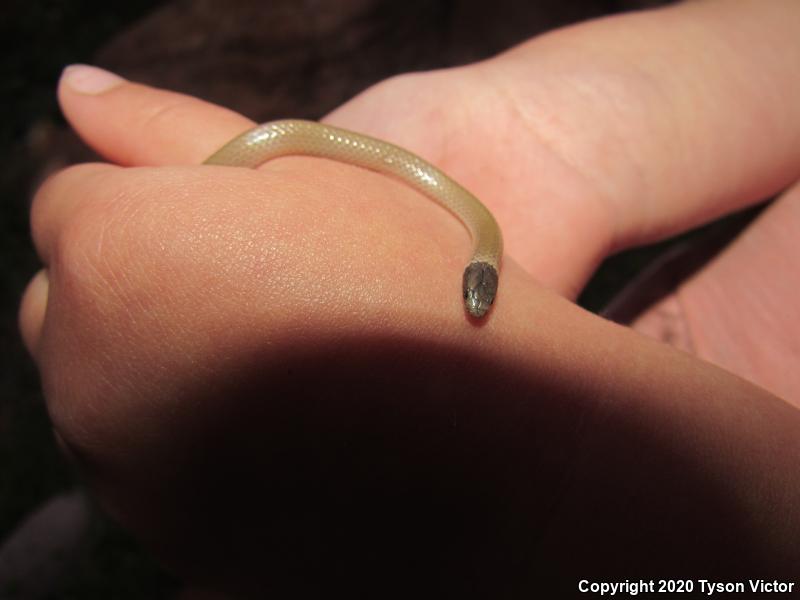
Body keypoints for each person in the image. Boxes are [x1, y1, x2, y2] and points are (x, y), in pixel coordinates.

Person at [19, 0, 800, 596]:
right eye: (474, 288)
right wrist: (547, 136)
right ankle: (88, 536)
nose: (474, 305)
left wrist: (573, 478)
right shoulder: (480, 223)